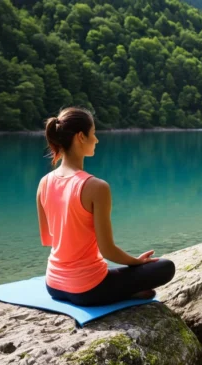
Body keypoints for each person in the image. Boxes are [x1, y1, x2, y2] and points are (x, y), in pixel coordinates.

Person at [36, 107, 175, 306]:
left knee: (118, 276)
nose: (97, 140)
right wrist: (137, 262)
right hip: (88, 290)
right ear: (81, 137)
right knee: (165, 267)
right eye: (94, 134)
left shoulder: (44, 183)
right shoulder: (96, 187)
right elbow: (108, 250)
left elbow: (48, 238)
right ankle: (124, 294)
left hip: (53, 286)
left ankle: (123, 292)